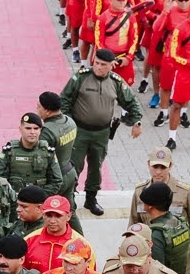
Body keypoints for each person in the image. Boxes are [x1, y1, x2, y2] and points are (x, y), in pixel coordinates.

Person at [60, 50, 144, 215]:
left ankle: (91, 199)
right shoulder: (81, 77)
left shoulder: (116, 81)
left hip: (102, 133)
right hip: (79, 131)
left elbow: (131, 101)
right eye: (96, 62)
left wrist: (137, 121)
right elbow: (64, 99)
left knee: (96, 167)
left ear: (111, 65)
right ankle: (69, 199)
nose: (98, 67)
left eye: (103, 64)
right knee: (73, 166)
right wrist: (68, 122)